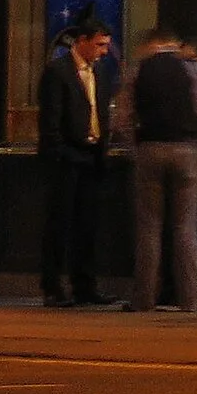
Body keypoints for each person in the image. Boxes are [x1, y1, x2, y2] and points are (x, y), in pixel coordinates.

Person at [112, 30, 197, 314]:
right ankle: (191, 299)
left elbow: (123, 117)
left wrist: (132, 149)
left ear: (152, 45)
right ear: (175, 44)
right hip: (187, 152)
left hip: (149, 149)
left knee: (149, 228)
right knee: (186, 229)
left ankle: (143, 298)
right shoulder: (194, 69)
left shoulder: (138, 69)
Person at [37, 24, 117, 307]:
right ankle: (53, 287)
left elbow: (101, 109)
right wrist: (60, 150)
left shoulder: (101, 73)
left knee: (88, 224)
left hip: (93, 155)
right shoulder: (58, 72)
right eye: (99, 45)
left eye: (106, 45)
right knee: (60, 224)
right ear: (81, 41)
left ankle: (85, 285)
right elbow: (51, 119)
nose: (104, 51)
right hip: (67, 156)